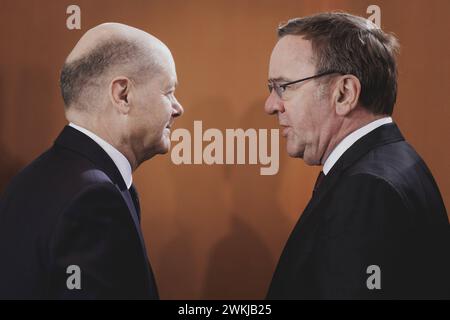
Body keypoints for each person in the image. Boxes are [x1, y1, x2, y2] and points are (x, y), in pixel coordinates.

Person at [264, 12, 449, 299]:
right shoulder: (393, 162)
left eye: (284, 87)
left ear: (344, 94)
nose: (270, 104)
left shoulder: (368, 190)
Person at [0, 22, 183, 299]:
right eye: (168, 92)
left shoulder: (32, 179)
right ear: (123, 95)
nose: (178, 108)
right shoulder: (94, 199)